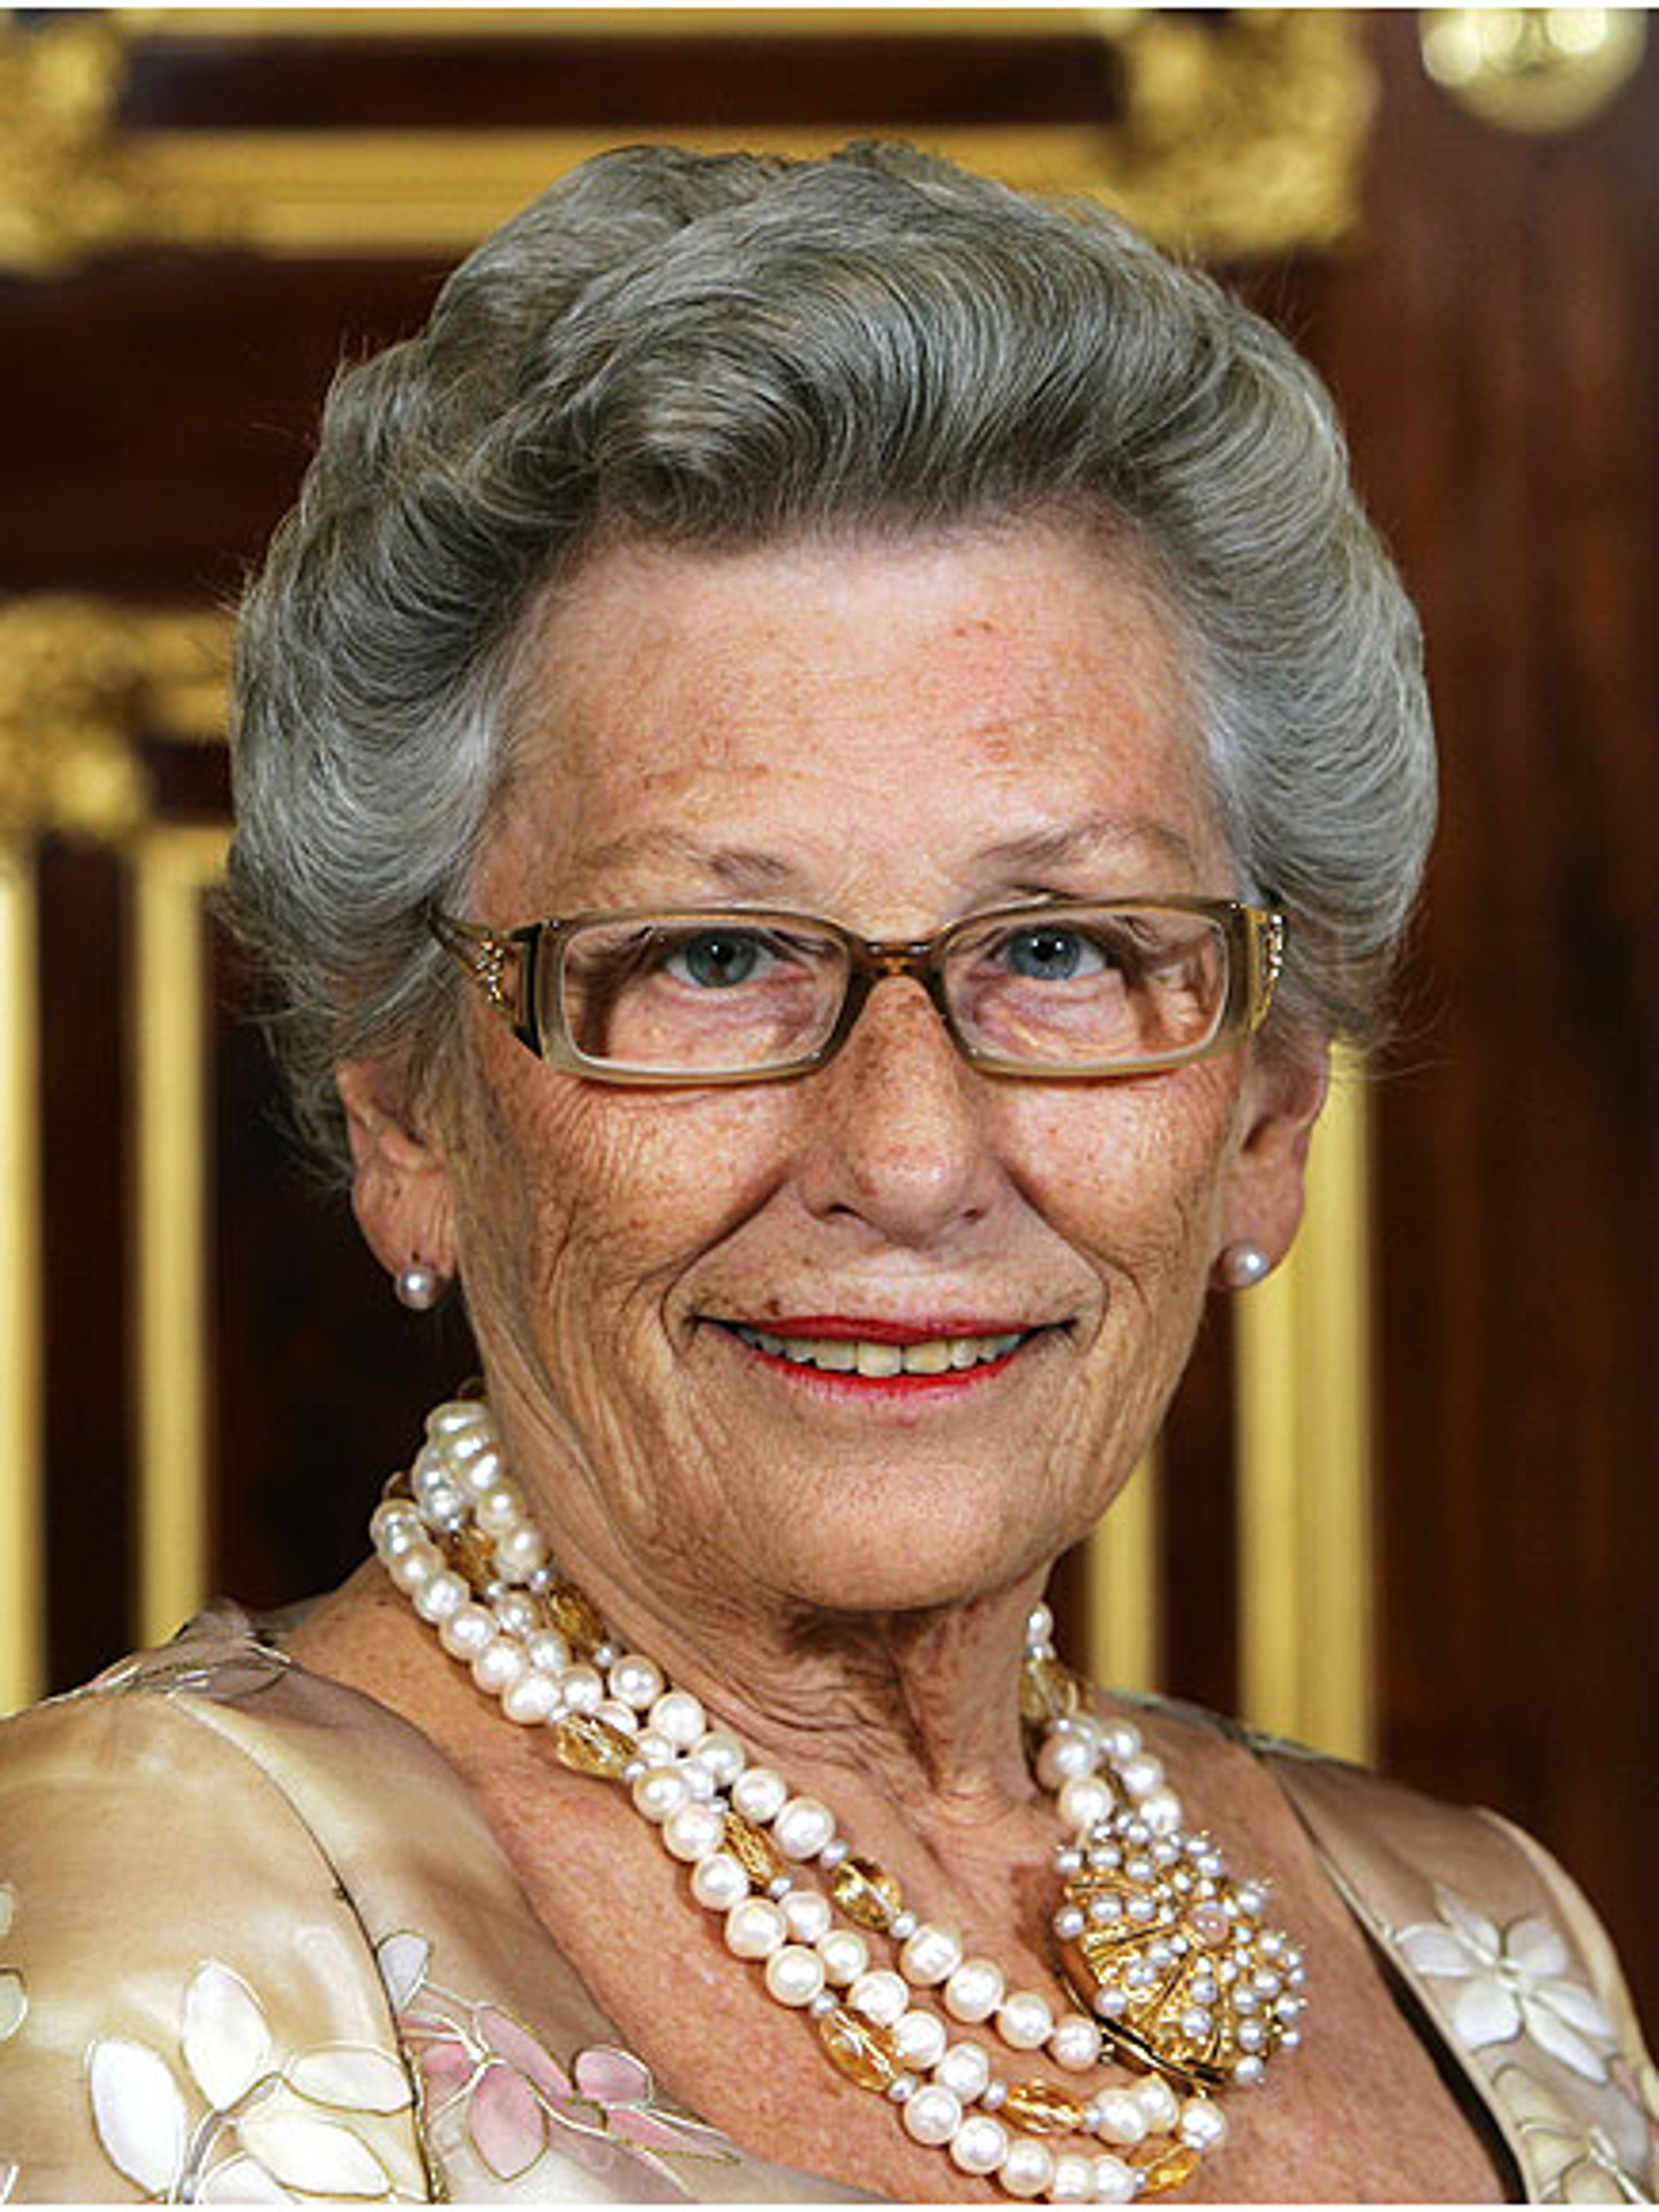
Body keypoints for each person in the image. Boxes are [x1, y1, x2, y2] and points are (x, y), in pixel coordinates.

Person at [0, 142, 1649, 2206]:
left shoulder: (1487, 1951)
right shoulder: (145, 1946)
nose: (910, 1154)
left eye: (1064, 948)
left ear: (1269, 1110)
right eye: (711, 957)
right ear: (410, 1110)